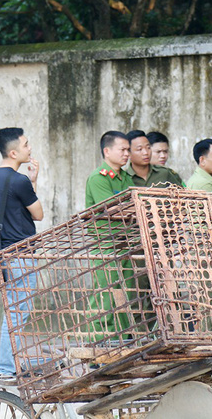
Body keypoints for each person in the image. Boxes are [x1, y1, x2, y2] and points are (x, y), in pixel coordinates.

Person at [0, 128, 43, 376]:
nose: (29, 148)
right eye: (25, 144)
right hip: (22, 253)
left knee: (14, 313)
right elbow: (38, 214)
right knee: (16, 315)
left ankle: (10, 364)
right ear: (13, 152)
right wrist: (32, 182)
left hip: (5, 253)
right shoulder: (18, 180)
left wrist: (31, 180)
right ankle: (7, 367)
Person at [85, 131, 135, 338]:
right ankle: (97, 347)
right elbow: (116, 210)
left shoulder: (125, 177)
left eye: (128, 150)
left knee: (125, 298)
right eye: (122, 149)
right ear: (107, 151)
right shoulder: (99, 178)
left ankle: (122, 342)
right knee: (104, 298)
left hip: (126, 244)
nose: (126, 154)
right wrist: (134, 209)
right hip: (105, 244)